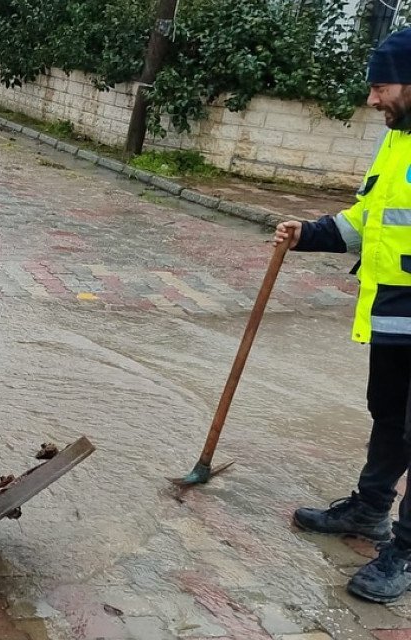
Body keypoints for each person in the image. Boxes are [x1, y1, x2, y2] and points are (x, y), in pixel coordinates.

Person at [280, 28, 411, 604]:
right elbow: (370, 217)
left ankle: (406, 553)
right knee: (388, 416)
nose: (372, 99)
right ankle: (370, 510)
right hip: (395, 314)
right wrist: (309, 233)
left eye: (380, 85)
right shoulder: (398, 141)